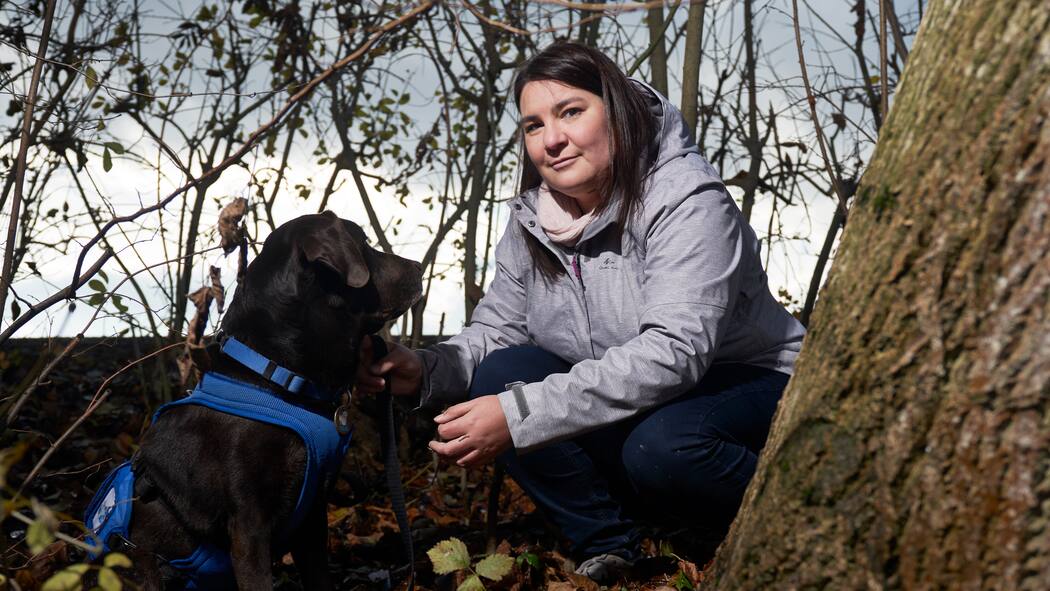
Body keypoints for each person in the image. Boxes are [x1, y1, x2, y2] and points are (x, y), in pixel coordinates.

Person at [356, 41, 806, 584]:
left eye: (571, 111)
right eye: (532, 125)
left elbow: (675, 352)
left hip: (749, 382)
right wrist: (426, 370)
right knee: (501, 376)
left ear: (616, 108)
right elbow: (498, 331)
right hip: (640, 401)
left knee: (661, 445)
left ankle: (805, 516)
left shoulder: (686, 197)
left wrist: (519, 416)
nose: (552, 140)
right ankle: (617, 544)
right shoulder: (533, 220)